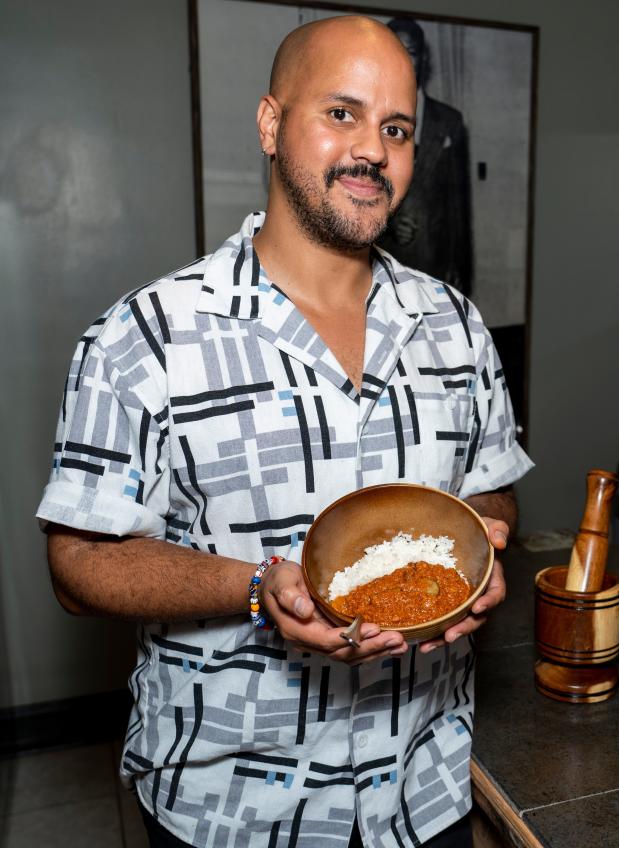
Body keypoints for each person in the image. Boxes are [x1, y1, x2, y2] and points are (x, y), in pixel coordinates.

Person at [37, 16, 532, 848]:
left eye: (397, 128)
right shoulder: (143, 337)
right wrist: (258, 587)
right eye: (341, 113)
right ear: (271, 124)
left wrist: (483, 541)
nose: (372, 149)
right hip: (233, 811)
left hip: (425, 791)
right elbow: (78, 564)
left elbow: (492, 483)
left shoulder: (455, 326)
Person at [376, 18, 473, 296]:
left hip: (435, 271)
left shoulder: (449, 122)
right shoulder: (362, 119)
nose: (403, 60)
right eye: (395, 49)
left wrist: (460, 267)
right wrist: (388, 222)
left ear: (424, 58)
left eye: (411, 52)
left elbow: (459, 207)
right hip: (377, 269)